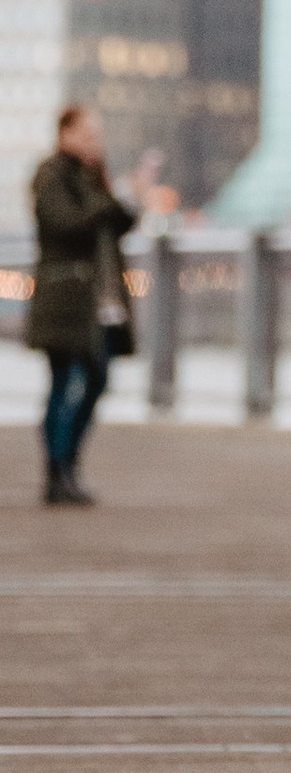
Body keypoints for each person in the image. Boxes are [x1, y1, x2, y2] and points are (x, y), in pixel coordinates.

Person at [27, 105, 136, 507]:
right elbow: (64, 224)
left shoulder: (94, 176)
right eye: (88, 133)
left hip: (98, 303)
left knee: (96, 381)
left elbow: (122, 222)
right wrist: (109, 200)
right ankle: (57, 472)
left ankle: (68, 465)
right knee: (64, 384)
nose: (95, 141)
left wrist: (127, 194)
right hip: (64, 300)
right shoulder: (52, 174)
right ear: (65, 133)